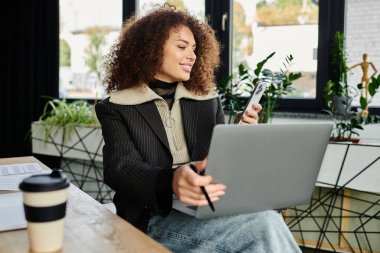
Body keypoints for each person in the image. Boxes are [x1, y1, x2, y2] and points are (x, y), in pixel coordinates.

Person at [96, 4, 301, 253]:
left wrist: (238, 135)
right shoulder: (117, 106)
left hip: (206, 207)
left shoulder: (206, 100)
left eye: (194, 48)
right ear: (149, 49)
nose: (192, 55)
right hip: (151, 216)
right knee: (263, 225)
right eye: (182, 46)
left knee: (266, 217)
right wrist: (171, 181)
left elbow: (217, 161)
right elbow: (121, 168)